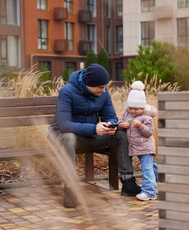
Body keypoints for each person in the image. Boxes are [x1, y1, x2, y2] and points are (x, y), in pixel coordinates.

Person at [49, 63, 141, 208]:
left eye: (105, 86)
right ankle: (70, 187)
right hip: (65, 139)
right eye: (100, 87)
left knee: (121, 133)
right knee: (68, 137)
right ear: (88, 84)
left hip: (89, 137)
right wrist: (94, 128)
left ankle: (128, 182)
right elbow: (64, 125)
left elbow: (110, 116)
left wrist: (110, 126)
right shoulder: (66, 92)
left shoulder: (103, 93)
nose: (104, 90)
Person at [118, 81, 158, 201]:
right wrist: (121, 125)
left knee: (146, 169)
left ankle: (150, 192)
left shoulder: (146, 117)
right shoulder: (128, 113)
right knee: (151, 167)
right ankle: (161, 180)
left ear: (142, 107)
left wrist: (140, 126)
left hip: (146, 147)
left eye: (136, 109)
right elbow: (120, 121)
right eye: (131, 108)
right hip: (136, 147)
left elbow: (149, 132)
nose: (133, 111)